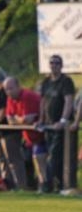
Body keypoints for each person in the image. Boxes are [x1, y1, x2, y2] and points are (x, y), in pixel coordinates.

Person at [36, 54, 74, 193]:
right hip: (48, 125)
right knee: (46, 155)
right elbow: (43, 101)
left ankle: (51, 185)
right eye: (52, 62)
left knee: (55, 156)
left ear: (61, 65)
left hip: (60, 126)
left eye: (57, 63)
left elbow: (68, 100)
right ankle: (50, 183)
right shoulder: (46, 81)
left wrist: (63, 120)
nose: (54, 65)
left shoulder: (66, 81)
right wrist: (41, 119)